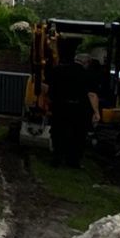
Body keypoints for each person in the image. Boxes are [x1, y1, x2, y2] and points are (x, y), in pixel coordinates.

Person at [47, 39, 94, 168]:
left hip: (60, 107)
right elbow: (90, 93)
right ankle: (73, 161)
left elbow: (51, 88)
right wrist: (94, 112)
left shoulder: (58, 70)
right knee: (77, 136)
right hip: (78, 109)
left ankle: (56, 159)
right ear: (86, 63)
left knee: (58, 133)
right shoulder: (86, 74)